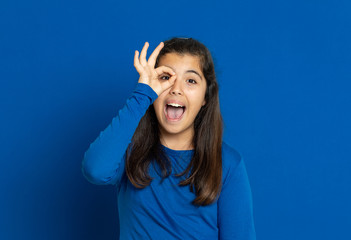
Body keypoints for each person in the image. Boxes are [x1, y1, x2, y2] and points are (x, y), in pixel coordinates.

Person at [82, 37, 256, 240]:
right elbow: (95, 170)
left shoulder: (228, 163)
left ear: (205, 98)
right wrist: (142, 95)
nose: (176, 89)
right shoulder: (130, 151)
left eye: (190, 80)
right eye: (166, 77)